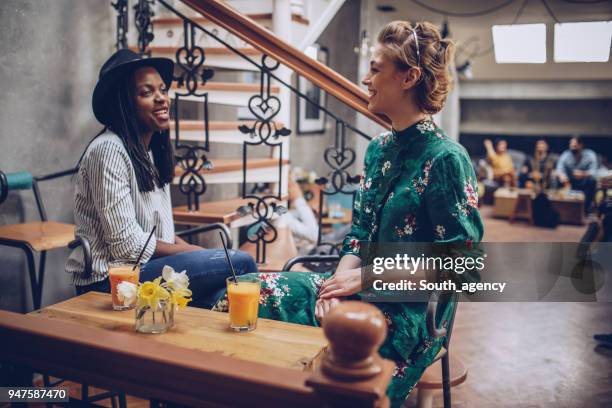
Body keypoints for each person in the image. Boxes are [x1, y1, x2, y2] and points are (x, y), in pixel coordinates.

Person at [214, 21, 483, 407]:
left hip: (407, 314)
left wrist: (362, 279)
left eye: (375, 68)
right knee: (248, 293)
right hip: (354, 287)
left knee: (334, 368)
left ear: (409, 77)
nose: (366, 77)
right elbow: (358, 233)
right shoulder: (378, 150)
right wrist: (334, 288)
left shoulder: (446, 159)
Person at [66, 49, 257, 307]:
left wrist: (195, 250)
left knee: (220, 299)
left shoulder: (149, 153)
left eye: (163, 90)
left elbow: (161, 234)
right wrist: (195, 252)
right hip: (112, 281)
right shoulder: (108, 150)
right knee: (241, 262)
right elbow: (128, 246)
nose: (161, 99)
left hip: (148, 269)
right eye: (147, 93)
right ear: (124, 102)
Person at [556, 136, 597, 215]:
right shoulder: (566, 155)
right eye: (571, 145)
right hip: (570, 181)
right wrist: (562, 175)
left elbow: (593, 172)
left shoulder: (590, 155)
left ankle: (585, 210)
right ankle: (561, 209)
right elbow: (559, 168)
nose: (572, 147)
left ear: (580, 145)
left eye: (574, 145)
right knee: (557, 178)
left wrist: (583, 174)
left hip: (584, 182)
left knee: (592, 181)